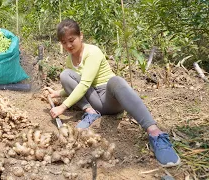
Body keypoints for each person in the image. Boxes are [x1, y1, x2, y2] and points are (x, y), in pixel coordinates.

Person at [45, 19, 180, 167]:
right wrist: (58, 93)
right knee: (65, 75)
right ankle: (90, 112)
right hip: (94, 100)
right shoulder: (69, 60)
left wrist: (63, 107)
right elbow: (78, 84)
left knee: (116, 81)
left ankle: (155, 134)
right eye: (64, 42)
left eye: (72, 40)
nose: (68, 45)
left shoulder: (93, 52)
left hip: (110, 99)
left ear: (81, 36)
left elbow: (84, 84)